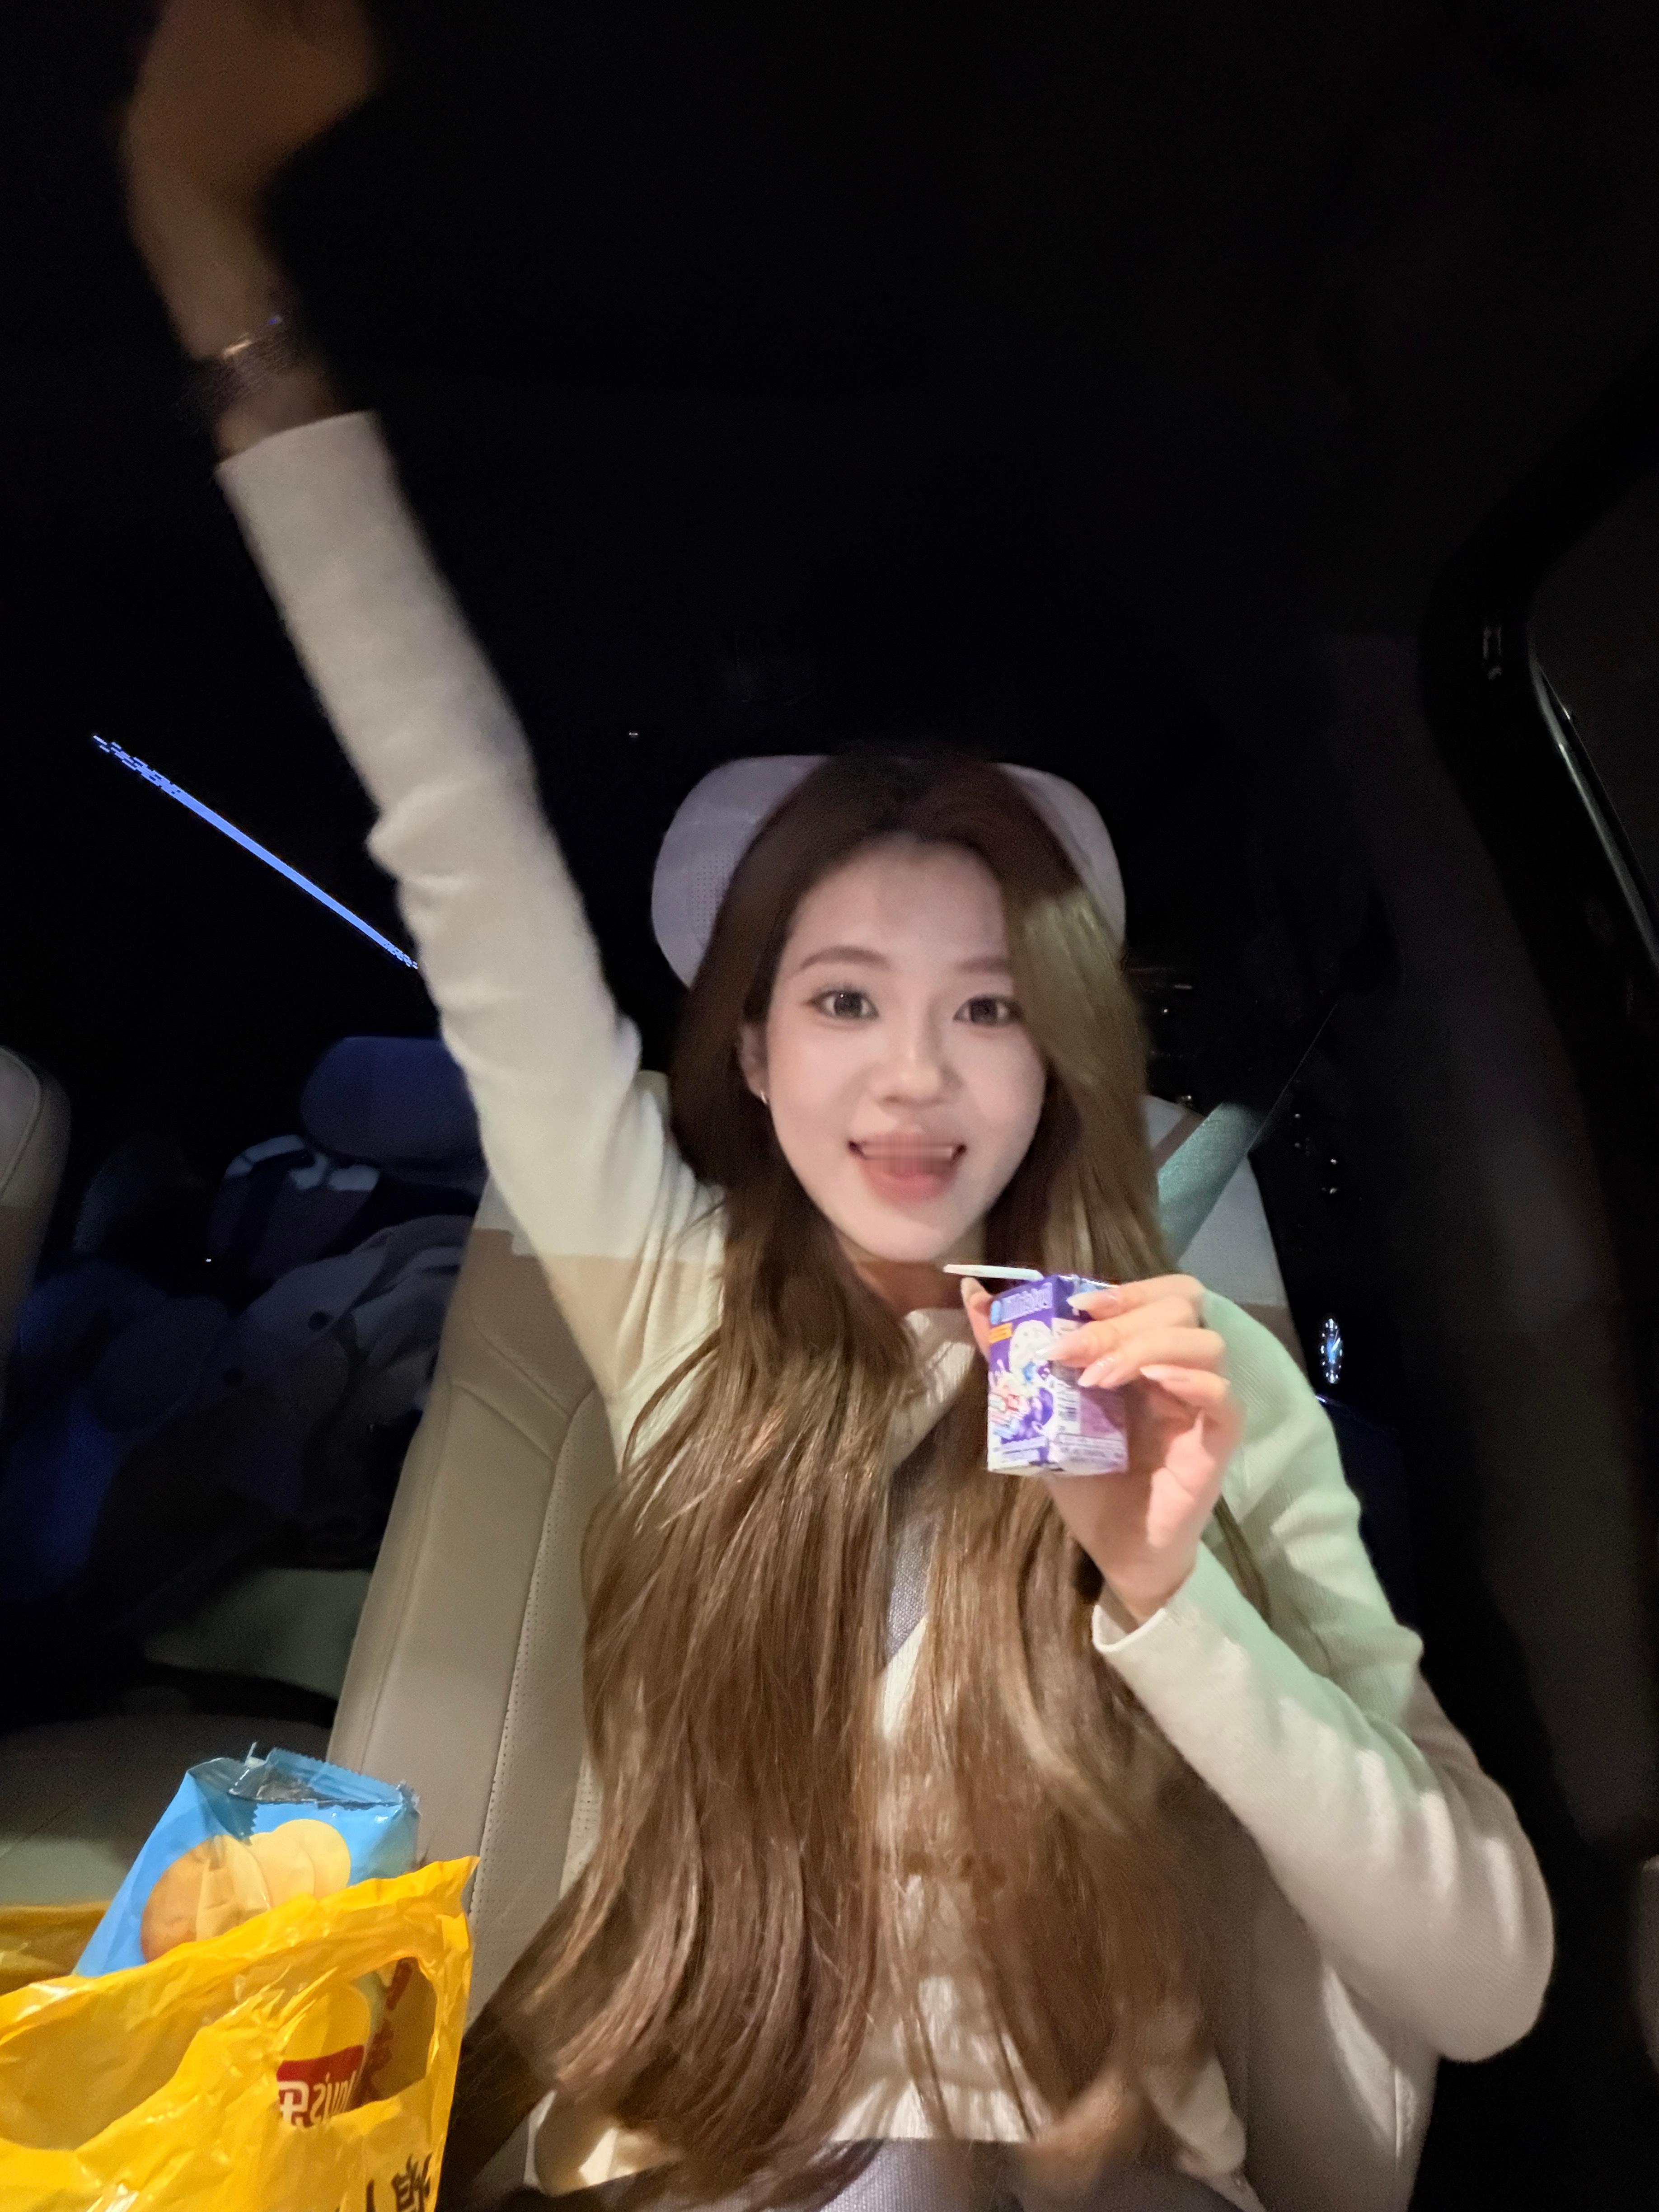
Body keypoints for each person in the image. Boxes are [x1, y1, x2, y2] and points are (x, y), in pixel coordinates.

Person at [120, 9, 1554, 2210]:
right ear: (753, 1056)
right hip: (721, 2156)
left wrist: (1171, 1596)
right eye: (847, 999)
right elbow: (459, 833)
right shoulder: (685, 1315)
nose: (913, 1071)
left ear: (1057, 1054)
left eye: (987, 1007)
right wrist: (218, 272)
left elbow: (1484, 1986)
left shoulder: (1174, 1377)